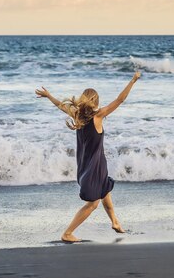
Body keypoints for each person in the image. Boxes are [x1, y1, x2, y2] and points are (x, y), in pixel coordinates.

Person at [35, 71, 141, 242]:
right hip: (92, 168)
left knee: (105, 188)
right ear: (96, 102)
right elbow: (120, 100)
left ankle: (115, 222)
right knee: (93, 204)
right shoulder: (97, 117)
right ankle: (67, 233)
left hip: (89, 166)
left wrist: (48, 96)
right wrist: (133, 80)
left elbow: (60, 105)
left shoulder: (78, 116)